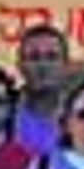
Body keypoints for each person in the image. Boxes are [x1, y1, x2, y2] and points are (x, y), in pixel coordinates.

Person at [12, 24, 69, 157]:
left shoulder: (83, 116)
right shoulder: (2, 117)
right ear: (20, 66)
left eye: (52, 57)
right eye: (34, 57)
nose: (43, 66)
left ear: (66, 65)